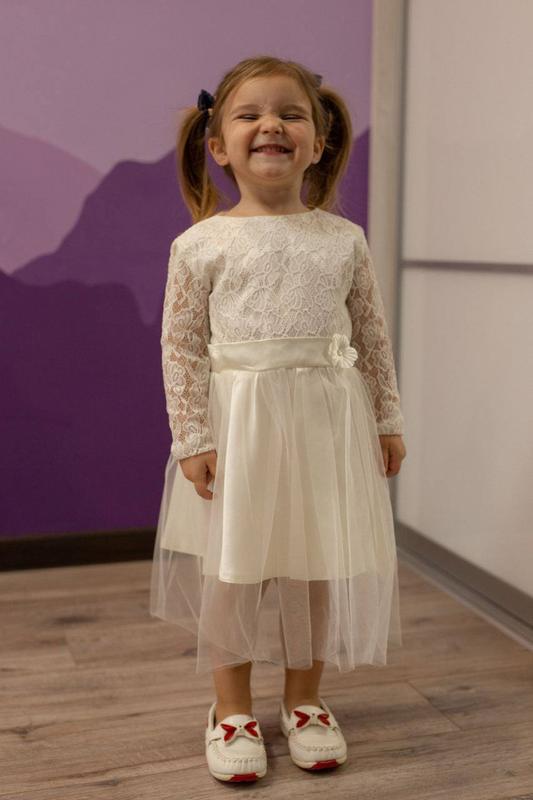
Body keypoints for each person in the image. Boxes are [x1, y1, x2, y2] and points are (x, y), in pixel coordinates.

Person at [150, 55, 407, 782]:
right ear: (218, 144)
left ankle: (305, 699)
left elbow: (371, 336)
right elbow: (181, 348)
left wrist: (386, 418)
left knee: (314, 568)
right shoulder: (199, 245)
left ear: (318, 141)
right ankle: (230, 708)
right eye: (250, 114)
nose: (272, 125)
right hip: (240, 429)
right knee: (234, 573)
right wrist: (192, 436)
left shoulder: (343, 239)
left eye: (291, 114)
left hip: (326, 425)